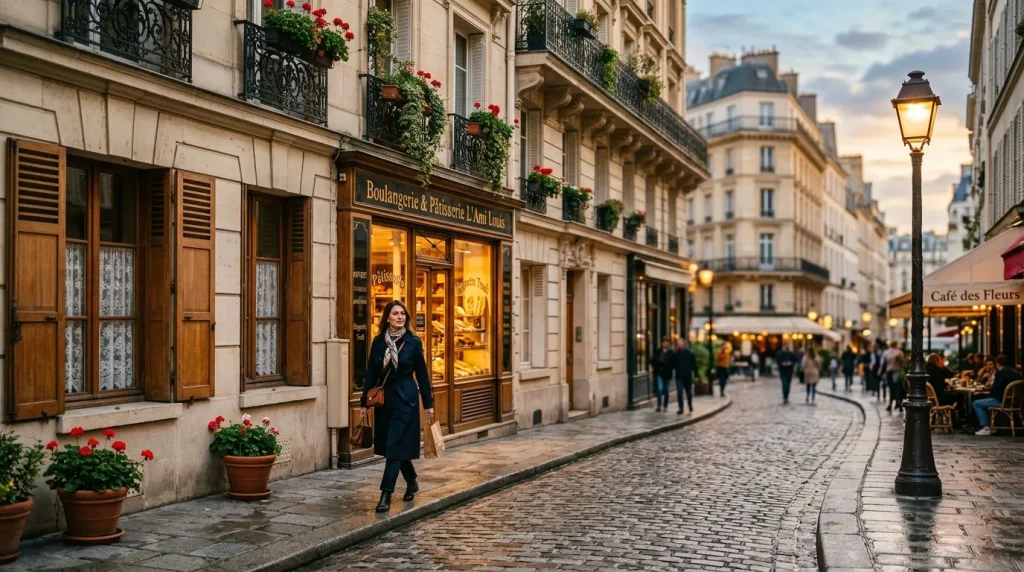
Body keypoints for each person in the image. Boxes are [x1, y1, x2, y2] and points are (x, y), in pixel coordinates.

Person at [360, 300, 434, 513]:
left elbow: (422, 374)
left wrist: (428, 404)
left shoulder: (413, 342)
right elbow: (371, 373)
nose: (400, 317)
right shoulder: (378, 343)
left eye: (403, 314)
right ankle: (411, 481)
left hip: (406, 399)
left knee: (393, 446)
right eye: (395, 314)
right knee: (393, 446)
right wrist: (364, 401)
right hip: (385, 400)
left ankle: (385, 494)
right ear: (388, 317)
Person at [973, 355, 1023, 435]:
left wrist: (985, 390)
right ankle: (994, 426)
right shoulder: (1016, 373)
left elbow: (994, 389)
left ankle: (986, 428)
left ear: (997, 363)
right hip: (1017, 402)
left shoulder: (1000, 373)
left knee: (976, 403)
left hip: (1003, 402)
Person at [673, 339, 697, 414]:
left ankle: (690, 406)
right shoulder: (676, 354)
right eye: (678, 344)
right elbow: (673, 364)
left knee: (688, 392)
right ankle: (681, 408)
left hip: (687, 376)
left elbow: (694, 365)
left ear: (684, 344)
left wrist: (696, 375)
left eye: (680, 343)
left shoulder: (690, 353)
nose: (679, 345)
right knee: (679, 392)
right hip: (679, 376)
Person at [651, 338, 675, 413]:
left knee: (666, 390)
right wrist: (655, 368)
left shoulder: (671, 352)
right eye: (664, 342)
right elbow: (653, 361)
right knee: (660, 389)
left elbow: (673, 363)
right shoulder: (658, 351)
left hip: (667, 374)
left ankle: (665, 406)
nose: (665, 344)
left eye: (667, 342)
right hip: (659, 373)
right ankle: (659, 405)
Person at [882, 341, 905, 412]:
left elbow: (883, 363)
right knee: (898, 388)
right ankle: (898, 404)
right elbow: (902, 362)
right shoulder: (899, 352)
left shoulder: (886, 352)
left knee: (892, 389)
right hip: (898, 372)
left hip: (890, 372)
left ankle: (892, 404)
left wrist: (882, 373)